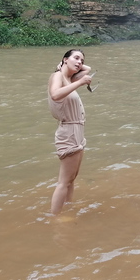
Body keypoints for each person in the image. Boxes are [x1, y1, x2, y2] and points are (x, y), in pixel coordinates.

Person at [47, 49, 93, 215]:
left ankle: (68, 208)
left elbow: (86, 69)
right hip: (68, 132)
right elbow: (54, 95)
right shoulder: (58, 76)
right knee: (64, 182)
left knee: (71, 179)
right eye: (76, 58)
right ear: (65, 59)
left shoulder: (69, 78)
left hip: (78, 132)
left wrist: (73, 65)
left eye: (81, 59)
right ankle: (55, 217)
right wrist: (79, 82)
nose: (80, 62)